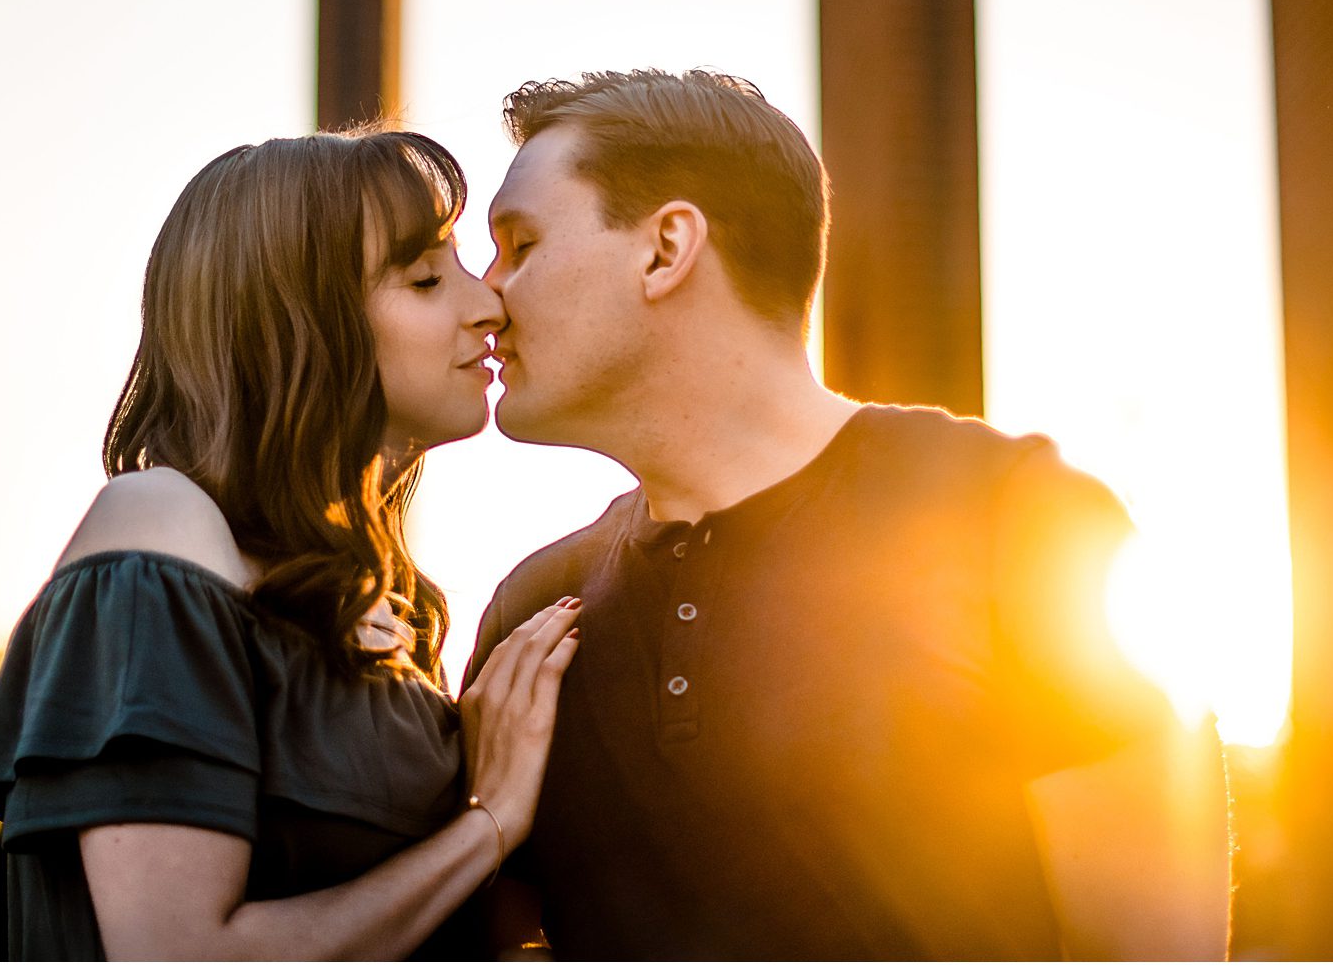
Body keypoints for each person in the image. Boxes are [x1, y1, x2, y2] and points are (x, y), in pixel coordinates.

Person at [466, 70, 1233, 960]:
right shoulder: (532, 614)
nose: (487, 298)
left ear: (665, 248)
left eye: (520, 244)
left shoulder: (1025, 522)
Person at [0, 128, 581, 959]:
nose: (486, 304)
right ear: (297, 324)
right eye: (428, 277)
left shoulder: (381, 598)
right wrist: (490, 821)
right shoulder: (158, 529)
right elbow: (176, 952)